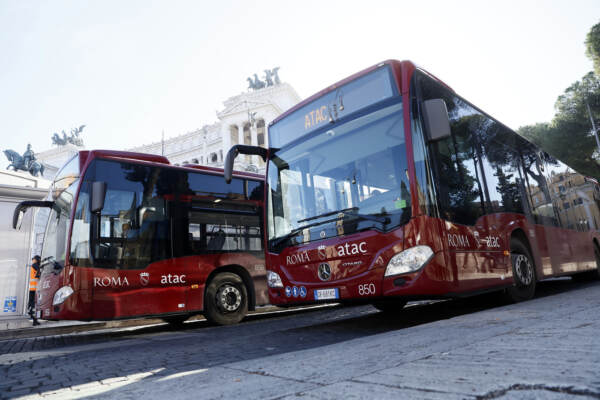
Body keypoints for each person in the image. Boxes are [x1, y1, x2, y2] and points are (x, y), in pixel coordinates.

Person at [28, 255, 41, 326]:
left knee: (31, 303)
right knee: (33, 304)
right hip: (35, 288)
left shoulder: (33, 265)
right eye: (39, 260)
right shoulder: (34, 265)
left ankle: (34, 319)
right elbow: (39, 272)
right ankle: (33, 319)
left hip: (32, 288)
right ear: (36, 260)